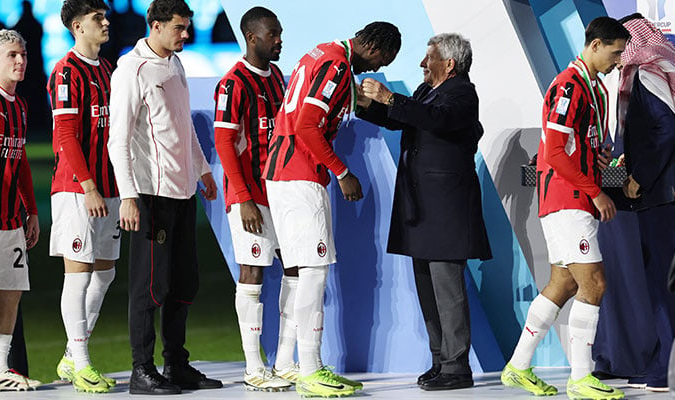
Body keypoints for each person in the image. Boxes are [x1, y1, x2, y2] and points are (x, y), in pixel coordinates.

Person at [263, 21, 400, 397]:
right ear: (374, 45)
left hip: (285, 173)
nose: (377, 66)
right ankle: (311, 368)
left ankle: (288, 364)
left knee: (299, 274)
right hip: (299, 175)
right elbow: (308, 126)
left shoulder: (322, 54)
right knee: (313, 273)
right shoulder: (336, 64)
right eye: (384, 57)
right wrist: (342, 172)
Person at [499, 17, 628, 400]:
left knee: (565, 284)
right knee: (595, 283)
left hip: (571, 199)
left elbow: (573, 146)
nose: (618, 61)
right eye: (616, 52)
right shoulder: (568, 86)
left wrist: (597, 155)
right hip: (568, 200)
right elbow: (553, 152)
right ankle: (581, 377)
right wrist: (597, 191)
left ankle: (518, 366)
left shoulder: (593, 89)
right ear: (596, 44)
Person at [356, 33, 491, 391]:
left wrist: (389, 97)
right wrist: (366, 104)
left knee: (447, 290)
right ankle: (440, 360)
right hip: (422, 209)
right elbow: (400, 120)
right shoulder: (424, 92)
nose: (422, 64)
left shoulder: (462, 92)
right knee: (427, 290)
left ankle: (457, 366)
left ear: (449, 63)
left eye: (428, 57)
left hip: (446, 208)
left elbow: (437, 120)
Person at [107, 0, 221, 395]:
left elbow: (183, 124)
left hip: (183, 190)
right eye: (178, 27)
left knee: (183, 281)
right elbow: (117, 140)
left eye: (187, 27)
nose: (185, 34)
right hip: (150, 195)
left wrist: (203, 168)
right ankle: (142, 369)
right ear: (154, 26)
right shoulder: (131, 70)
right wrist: (127, 196)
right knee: (149, 286)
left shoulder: (175, 62)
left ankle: (177, 364)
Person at [213, 6, 294, 392]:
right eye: (273, 34)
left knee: (295, 271)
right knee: (253, 273)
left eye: (279, 33)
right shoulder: (232, 84)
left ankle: (286, 360)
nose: (279, 40)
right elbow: (224, 144)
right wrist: (243, 197)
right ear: (252, 37)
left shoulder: (277, 77)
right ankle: (253, 366)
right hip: (250, 197)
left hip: (281, 191)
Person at [47, 0, 118, 393]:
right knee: (78, 275)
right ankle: (82, 361)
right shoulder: (65, 71)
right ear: (78, 26)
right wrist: (88, 185)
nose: (106, 23)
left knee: (105, 272)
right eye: (98, 18)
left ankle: (73, 356)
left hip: (109, 188)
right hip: (78, 189)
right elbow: (65, 135)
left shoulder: (106, 69)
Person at [0, 29, 40, 391]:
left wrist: (30, 211)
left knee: (11, 291)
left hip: (11, 219)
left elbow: (21, 162)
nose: (20, 61)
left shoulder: (20, 105)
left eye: (24, 55)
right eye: (12, 55)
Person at [617, 13, 675, 392]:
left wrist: (641, 176)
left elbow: (666, 128)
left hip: (662, 195)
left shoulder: (646, 72)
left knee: (662, 284)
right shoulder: (664, 68)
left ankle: (661, 372)